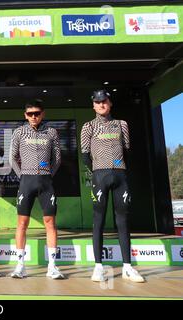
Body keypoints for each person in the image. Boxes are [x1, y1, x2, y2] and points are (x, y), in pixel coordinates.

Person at [81, 89, 144, 283]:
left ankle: (127, 267)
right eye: (98, 102)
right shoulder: (88, 126)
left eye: (105, 101)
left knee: (123, 220)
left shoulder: (121, 124)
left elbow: (127, 151)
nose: (101, 104)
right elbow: (85, 155)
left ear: (110, 103)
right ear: (93, 105)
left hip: (120, 176)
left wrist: (121, 169)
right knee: (98, 220)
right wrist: (98, 169)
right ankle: (98, 266)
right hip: (100, 176)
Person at [9, 100, 64, 279]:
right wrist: (23, 176)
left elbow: (57, 159)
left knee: (50, 223)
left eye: (37, 113)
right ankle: (20, 265)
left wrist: (48, 175)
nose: (34, 116)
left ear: (43, 114)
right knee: (22, 224)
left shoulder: (51, 132)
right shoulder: (19, 132)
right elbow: (12, 158)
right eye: (30, 113)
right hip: (26, 181)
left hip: (46, 182)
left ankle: (52, 266)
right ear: (25, 115)